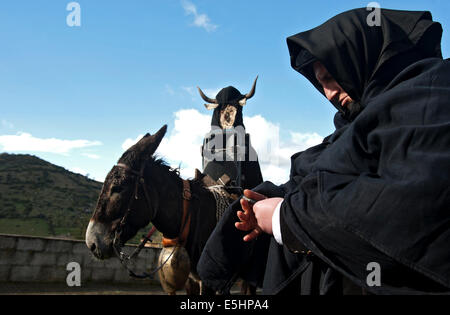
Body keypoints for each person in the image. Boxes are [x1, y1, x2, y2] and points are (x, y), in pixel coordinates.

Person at [197, 7, 450, 295]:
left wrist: (285, 218)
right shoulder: (353, 126)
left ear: (359, 58)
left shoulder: (431, 100)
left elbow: (401, 209)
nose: (328, 93)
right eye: (321, 83)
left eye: (331, 76)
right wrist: (272, 199)